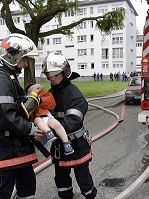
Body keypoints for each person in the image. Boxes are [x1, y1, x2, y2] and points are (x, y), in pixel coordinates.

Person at [0, 33, 44, 199]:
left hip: (17, 148)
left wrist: (31, 95)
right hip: (4, 150)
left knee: (28, 188)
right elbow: (6, 115)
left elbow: (18, 105)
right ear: (12, 57)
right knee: (1, 194)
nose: (25, 65)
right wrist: (31, 129)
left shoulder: (8, 77)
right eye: (24, 59)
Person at [41, 51, 97, 199]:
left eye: (55, 74)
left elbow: (71, 122)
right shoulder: (50, 94)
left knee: (83, 180)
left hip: (77, 146)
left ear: (65, 72)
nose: (51, 78)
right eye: (49, 75)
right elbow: (42, 115)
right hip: (59, 148)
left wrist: (48, 130)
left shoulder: (75, 95)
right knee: (61, 182)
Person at [25, 83, 74, 155]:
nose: (40, 89)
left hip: (47, 115)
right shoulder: (27, 100)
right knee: (38, 121)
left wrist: (39, 100)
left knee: (57, 124)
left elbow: (51, 104)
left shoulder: (46, 95)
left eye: (40, 87)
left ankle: (66, 143)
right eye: (37, 88)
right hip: (37, 117)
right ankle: (49, 132)